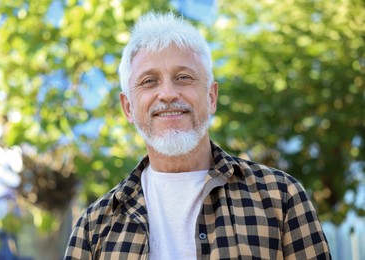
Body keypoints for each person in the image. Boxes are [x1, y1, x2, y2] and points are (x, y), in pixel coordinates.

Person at [64, 12, 331, 259]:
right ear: (128, 107)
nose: (168, 93)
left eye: (183, 77)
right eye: (149, 81)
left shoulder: (280, 197)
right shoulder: (95, 226)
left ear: (211, 97)